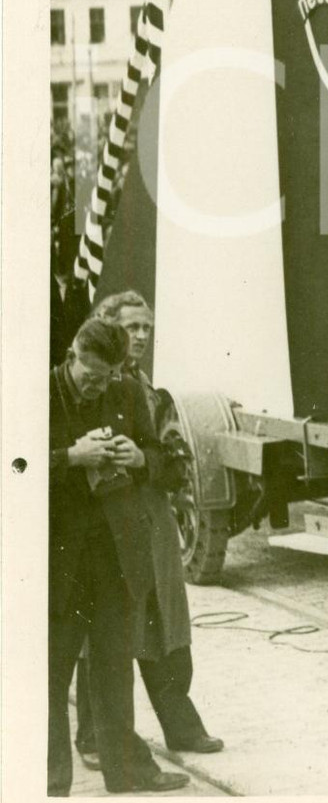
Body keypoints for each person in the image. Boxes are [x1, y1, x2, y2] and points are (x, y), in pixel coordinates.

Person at [75, 292, 223, 760]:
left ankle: (181, 727)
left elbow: (174, 459)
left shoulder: (145, 388)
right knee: (99, 630)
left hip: (150, 520)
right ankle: (94, 736)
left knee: (163, 626)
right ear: (106, 326)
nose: (140, 336)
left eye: (146, 328)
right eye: (131, 327)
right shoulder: (85, 386)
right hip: (103, 523)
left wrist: (143, 460)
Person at [49, 319, 189, 795]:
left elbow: (163, 457)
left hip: (115, 559)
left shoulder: (127, 392)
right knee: (49, 678)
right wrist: (71, 456)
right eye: (89, 376)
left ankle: (126, 773)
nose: (97, 386)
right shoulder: (37, 393)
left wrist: (139, 458)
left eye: (105, 377)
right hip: (57, 563)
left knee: (113, 669)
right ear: (72, 355)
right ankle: (48, 785)